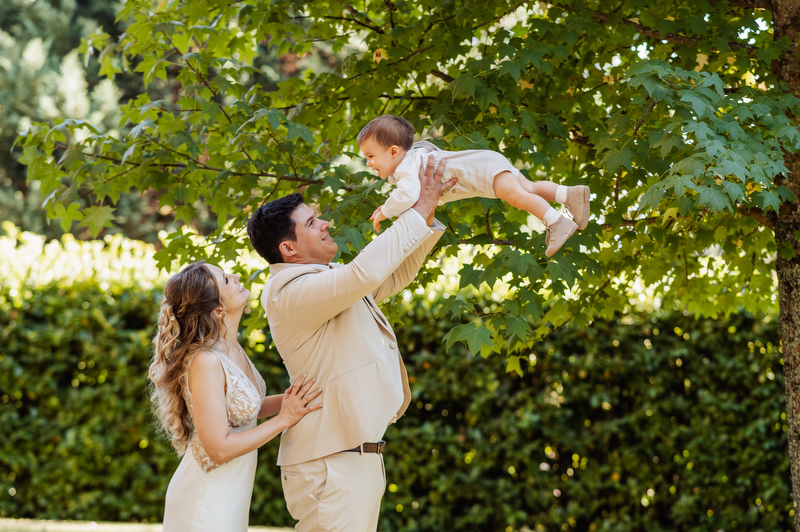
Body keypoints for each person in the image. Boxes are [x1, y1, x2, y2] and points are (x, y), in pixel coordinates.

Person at [246, 155, 455, 531]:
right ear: (289, 249)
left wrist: (427, 212)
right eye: (311, 223)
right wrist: (417, 208)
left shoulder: (327, 282)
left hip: (352, 459)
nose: (325, 223)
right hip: (330, 464)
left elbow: (391, 276)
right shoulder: (289, 291)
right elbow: (365, 272)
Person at [148, 261, 322, 532]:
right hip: (206, 494)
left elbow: (243, 411)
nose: (236, 276)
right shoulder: (206, 361)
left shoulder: (232, 349)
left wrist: (297, 398)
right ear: (218, 310)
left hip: (233, 490)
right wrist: (283, 420)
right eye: (226, 280)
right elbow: (219, 449)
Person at [358, 114, 592, 257]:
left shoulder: (407, 167)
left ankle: (556, 222)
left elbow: (406, 195)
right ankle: (570, 194)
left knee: (518, 197)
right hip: (486, 162)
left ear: (393, 151)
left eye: (371, 156)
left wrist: (385, 211)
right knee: (529, 188)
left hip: (482, 172)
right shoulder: (415, 157)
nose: (368, 163)